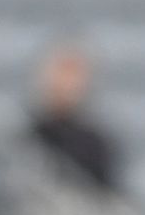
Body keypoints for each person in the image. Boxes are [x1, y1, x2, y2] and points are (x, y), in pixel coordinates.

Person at [29, 44, 125, 196]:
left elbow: (105, 197)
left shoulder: (96, 145)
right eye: (61, 71)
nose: (66, 83)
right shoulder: (26, 135)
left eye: (73, 74)